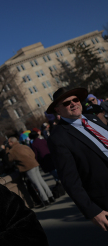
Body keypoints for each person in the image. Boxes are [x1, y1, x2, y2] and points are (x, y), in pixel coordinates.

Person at [46, 87, 108, 231]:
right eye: (67, 103)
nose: (73, 104)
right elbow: (70, 180)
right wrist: (93, 211)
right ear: (58, 110)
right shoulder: (58, 138)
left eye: (75, 99)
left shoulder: (93, 118)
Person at [7, 137, 55, 205]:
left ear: (12, 142)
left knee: (37, 184)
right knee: (41, 181)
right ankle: (51, 196)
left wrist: (7, 150)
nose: (8, 144)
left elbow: (9, 160)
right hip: (34, 164)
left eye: (9, 142)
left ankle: (45, 200)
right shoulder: (23, 146)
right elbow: (33, 153)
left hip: (27, 167)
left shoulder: (12, 151)